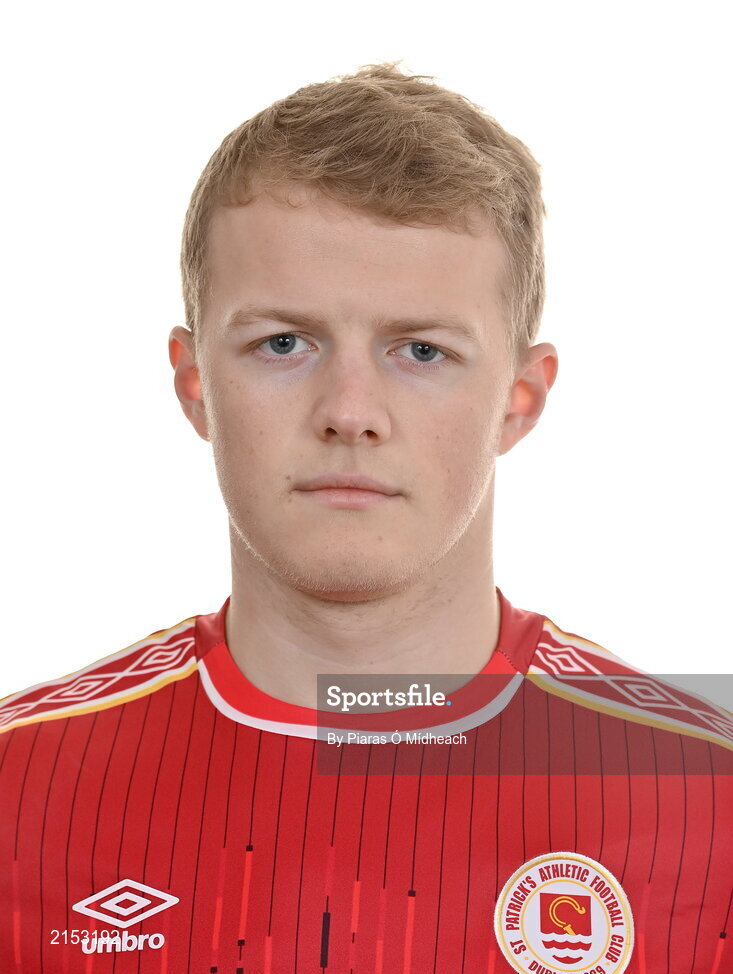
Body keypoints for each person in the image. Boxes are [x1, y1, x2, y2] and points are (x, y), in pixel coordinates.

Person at [0, 61, 730, 974]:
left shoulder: (708, 799)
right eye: (283, 343)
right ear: (195, 386)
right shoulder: (15, 792)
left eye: (420, 349)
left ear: (520, 397)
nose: (350, 409)